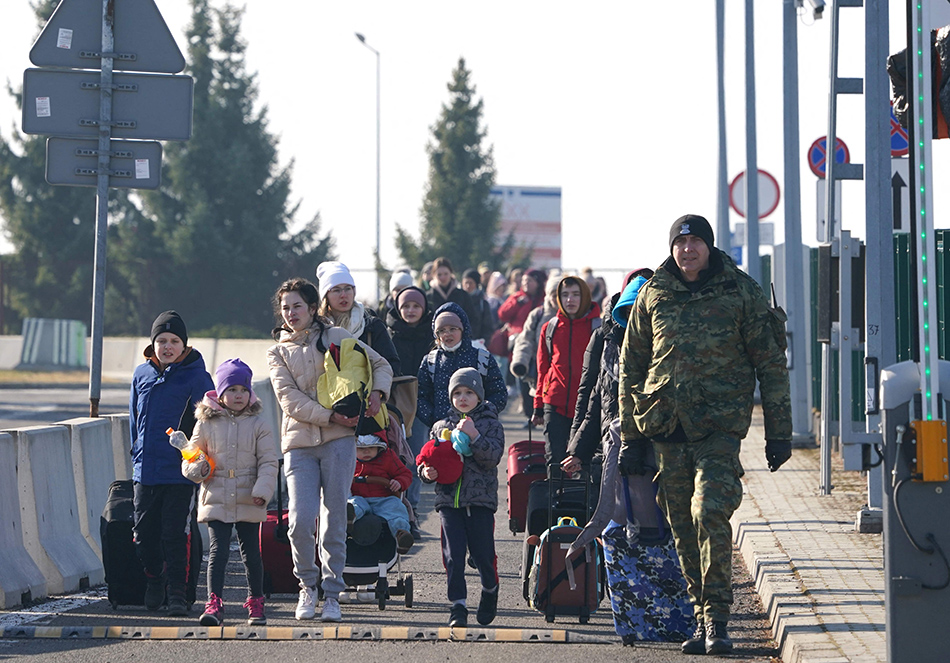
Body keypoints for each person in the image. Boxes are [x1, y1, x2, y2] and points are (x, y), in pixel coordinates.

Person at [618, 214, 792, 656]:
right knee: (681, 527)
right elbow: (631, 367)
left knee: (708, 511)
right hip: (666, 427)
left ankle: (717, 619)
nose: (688, 249)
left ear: (710, 247)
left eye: (697, 241)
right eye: (681, 242)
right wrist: (631, 438)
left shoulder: (740, 291)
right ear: (672, 248)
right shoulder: (653, 293)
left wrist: (779, 433)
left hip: (718, 429)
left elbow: (770, 363)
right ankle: (700, 618)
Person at [268, 277, 393, 623]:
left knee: (334, 517)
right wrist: (330, 415)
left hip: (340, 441)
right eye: (285, 308)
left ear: (312, 308)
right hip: (299, 444)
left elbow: (381, 365)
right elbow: (288, 400)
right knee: (300, 519)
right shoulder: (277, 351)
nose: (291, 313)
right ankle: (307, 586)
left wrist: (377, 396)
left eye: (297, 306)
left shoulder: (337, 337)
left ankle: (333, 592)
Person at [130, 310, 214, 616]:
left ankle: (178, 593)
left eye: (174, 341)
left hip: (180, 473)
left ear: (184, 346)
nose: (167, 346)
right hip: (146, 471)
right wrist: (137, 452)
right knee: (144, 535)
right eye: (161, 340)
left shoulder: (198, 378)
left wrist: (197, 461)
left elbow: (208, 426)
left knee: (175, 535)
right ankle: (154, 578)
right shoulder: (141, 375)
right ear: (153, 344)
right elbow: (134, 419)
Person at [191, 359, 279, 627]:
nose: (238, 395)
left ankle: (256, 600)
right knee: (218, 551)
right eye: (231, 389)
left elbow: (268, 461)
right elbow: (192, 457)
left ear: (250, 392)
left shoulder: (259, 424)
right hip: (216, 494)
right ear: (219, 392)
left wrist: (263, 491)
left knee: (251, 552)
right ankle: (214, 602)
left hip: (248, 495)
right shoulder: (205, 423)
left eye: (243, 389)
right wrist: (198, 468)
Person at [418, 367, 504, 627]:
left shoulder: (489, 423)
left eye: (469, 392)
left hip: (480, 501)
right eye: (457, 393)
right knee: (453, 556)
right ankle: (458, 605)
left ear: (479, 395)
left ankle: (490, 589)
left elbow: (492, 458)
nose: (463, 397)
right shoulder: (440, 426)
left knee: (482, 555)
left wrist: (474, 435)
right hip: (449, 502)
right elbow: (425, 459)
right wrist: (426, 473)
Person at [561, 269, 654, 479]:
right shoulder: (607, 340)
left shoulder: (663, 343)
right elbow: (591, 398)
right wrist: (577, 450)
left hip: (655, 447)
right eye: (630, 309)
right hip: (612, 441)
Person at [531, 275, 601, 465]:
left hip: (587, 407)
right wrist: (538, 404)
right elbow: (542, 369)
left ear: (585, 296)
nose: (570, 300)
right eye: (565, 295)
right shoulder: (550, 328)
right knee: (554, 460)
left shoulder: (598, 328)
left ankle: (579, 496)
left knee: (583, 462)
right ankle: (554, 496)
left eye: (576, 294)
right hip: (555, 403)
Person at [385, 285, 435, 527]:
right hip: (394, 404)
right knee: (394, 457)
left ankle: (411, 509)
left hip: (422, 404)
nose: (411, 310)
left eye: (416, 306)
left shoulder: (432, 334)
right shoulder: (388, 332)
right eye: (405, 306)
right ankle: (393, 508)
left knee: (416, 456)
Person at [416, 302, 507, 431]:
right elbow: (420, 396)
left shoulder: (482, 358)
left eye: (453, 329)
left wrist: (482, 416)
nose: (447, 334)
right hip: (442, 431)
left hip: (478, 431)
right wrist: (435, 419)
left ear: (463, 329)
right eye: (442, 330)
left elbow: (499, 393)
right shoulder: (431, 361)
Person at [317, 260, 402, 376]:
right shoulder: (317, 329)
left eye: (348, 288)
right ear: (325, 296)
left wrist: (376, 390)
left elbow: (392, 365)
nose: (343, 295)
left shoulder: (371, 325)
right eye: (336, 290)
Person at [347, 434, 414, 554]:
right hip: (359, 497)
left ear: (379, 448)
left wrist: (399, 482)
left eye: (372, 448)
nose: (367, 451)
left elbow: (405, 474)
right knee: (353, 503)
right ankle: (349, 517)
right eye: (361, 449)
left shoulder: (388, 458)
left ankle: (402, 534)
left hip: (383, 498)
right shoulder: (349, 461)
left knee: (396, 507)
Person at [509, 275, 559, 422]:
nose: (557, 299)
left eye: (560, 294)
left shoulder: (574, 317)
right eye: (553, 295)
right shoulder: (538, 314)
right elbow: (525, 340)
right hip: (540, 371)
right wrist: (520, 363)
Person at [426, 257, 478, 339]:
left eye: (446, 274)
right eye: (439, 274)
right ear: (434, 275)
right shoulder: (428, 297)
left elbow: (472, 319)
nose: (443, 277)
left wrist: (467, 337)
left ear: (451, 273)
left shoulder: (463, 295)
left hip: (461, 339)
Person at [461, 267, 495, 346]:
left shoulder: (482, 303)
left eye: (471, 283)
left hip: (477, 343)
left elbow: (488, 326)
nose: (468, 286)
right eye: (466, 283)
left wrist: (483, 342)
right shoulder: (457, 300)